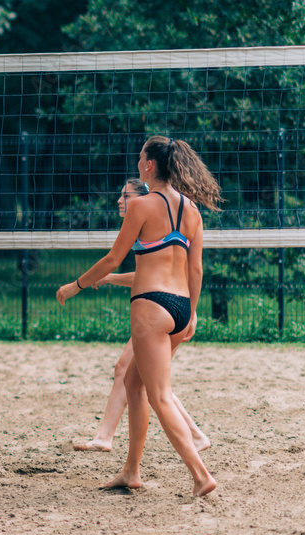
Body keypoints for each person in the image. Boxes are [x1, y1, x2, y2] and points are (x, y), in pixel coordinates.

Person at [57, 137, 222, 497]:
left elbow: (114, 258)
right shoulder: (192, 210)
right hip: (179, 307)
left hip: (151, 304)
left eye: (139, 159)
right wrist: (192, 313)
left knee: (159, 396)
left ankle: (201, 475)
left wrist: (76, 285)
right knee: (134, 384)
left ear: (150, 166)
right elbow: (196, 271)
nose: (137, 163)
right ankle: (131, 471)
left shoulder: (143, 205)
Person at [72, 179, 209, 453]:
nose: (120, 200)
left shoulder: (152, 215)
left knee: (151, 385)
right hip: (173, 307)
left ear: (142, 196)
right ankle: (106, 438)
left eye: (126, 195)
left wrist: (79, 285)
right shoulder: (162, 218)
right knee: (129, 373)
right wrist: (110, 279)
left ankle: (195, 445)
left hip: (161, 310)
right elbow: (147, 275)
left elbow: (158, 276)